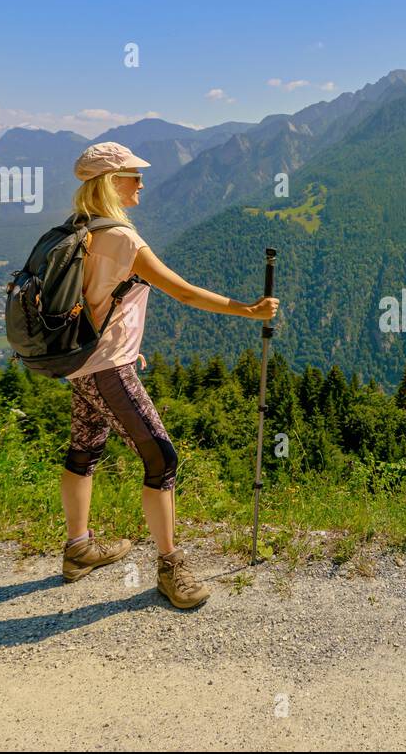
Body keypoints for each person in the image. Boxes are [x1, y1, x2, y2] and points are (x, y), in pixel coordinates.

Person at [59, 141, 279, 608]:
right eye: (133, 175)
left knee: (84, 448)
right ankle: (170, 567)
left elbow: (92, 298)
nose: (142, 182)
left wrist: (118, 341)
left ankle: (78, 548)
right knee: (161, 459)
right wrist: (251, 311)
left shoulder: (79, 228)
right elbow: (184, 294)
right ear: (110, 183)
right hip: (106, 368)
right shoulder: (122, 238)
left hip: (81, 363)